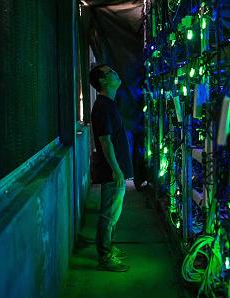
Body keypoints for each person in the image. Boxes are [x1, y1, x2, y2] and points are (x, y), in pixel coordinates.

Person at [89, 64, 134, 272]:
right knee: (108, 215)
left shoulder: (108, 104)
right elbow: (105, 141)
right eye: (110, 72)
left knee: (112, 214)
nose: (115, 72)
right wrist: (116, 170)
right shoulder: (103, 107)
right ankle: (105, 256)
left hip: (114, 170)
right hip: (110, 171)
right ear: (103, 81)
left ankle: (108, 249)